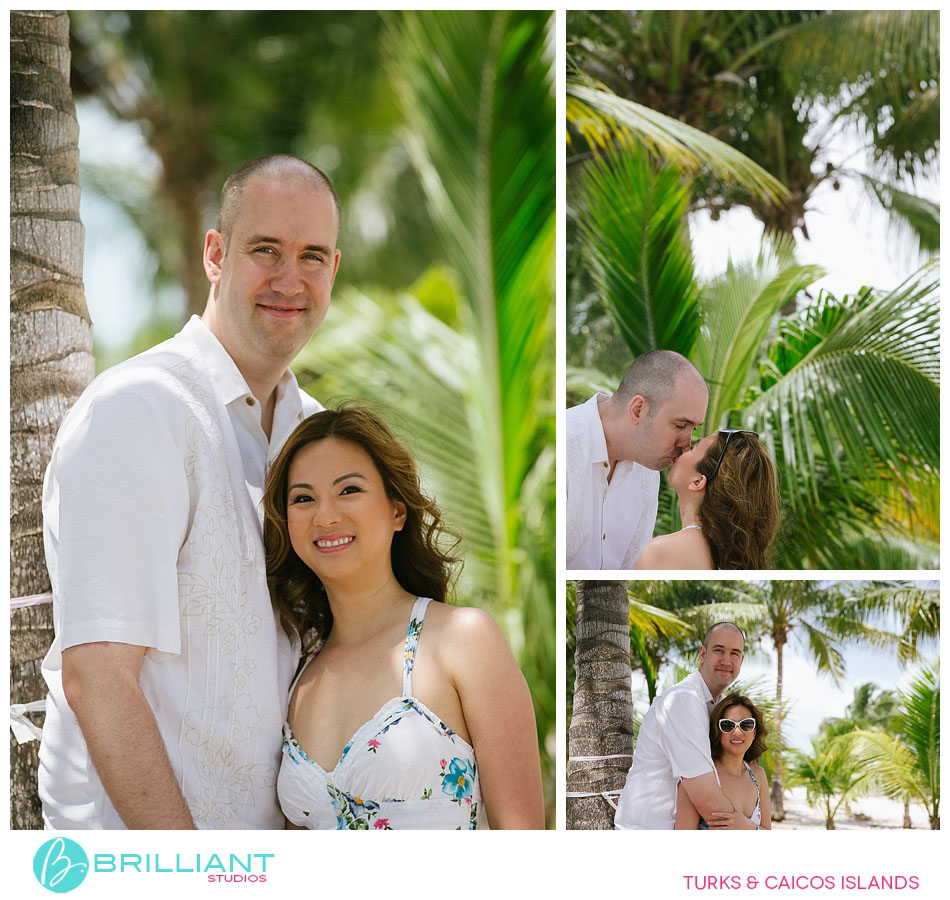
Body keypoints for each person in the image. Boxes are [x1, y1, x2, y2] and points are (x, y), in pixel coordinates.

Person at [38, 154, 341, 829]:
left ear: (334, 271)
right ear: (215, 253)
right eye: (267, 250)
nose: (290, 280)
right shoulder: (141, 409)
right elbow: (100, 679)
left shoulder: (320, 435)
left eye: (312, 256)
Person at [265, 406, 545, 829]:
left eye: (349, 490)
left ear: (398, 511)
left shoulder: (463, 640)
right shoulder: (300, 673)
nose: (325, 515)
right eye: (303, 498)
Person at [566, 350, 708, 569]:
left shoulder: (648, 475)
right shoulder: (564, 445)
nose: (686, 444)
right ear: (638, 409)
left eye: (693, 429)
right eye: (680, 425)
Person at [615, 623, 757, 830]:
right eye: (719, 650)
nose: (727, 660)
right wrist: (754, 831)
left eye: (734, 653)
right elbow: (709, 802)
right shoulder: (682, 700)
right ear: (703, 653)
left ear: (741, 660)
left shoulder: (722, 708)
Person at [635, 428, 780, 570]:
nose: (683, 447)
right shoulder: (728, 560)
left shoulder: (662, 551)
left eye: (692, 448)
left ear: (697, 482)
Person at [674, 693, 771, 830]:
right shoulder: (698, 776)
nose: (737, 732)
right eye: (727, 725)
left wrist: (747, 826)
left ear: (754, 732)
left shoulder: (758, 775)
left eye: (746, 724)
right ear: (717, 730)